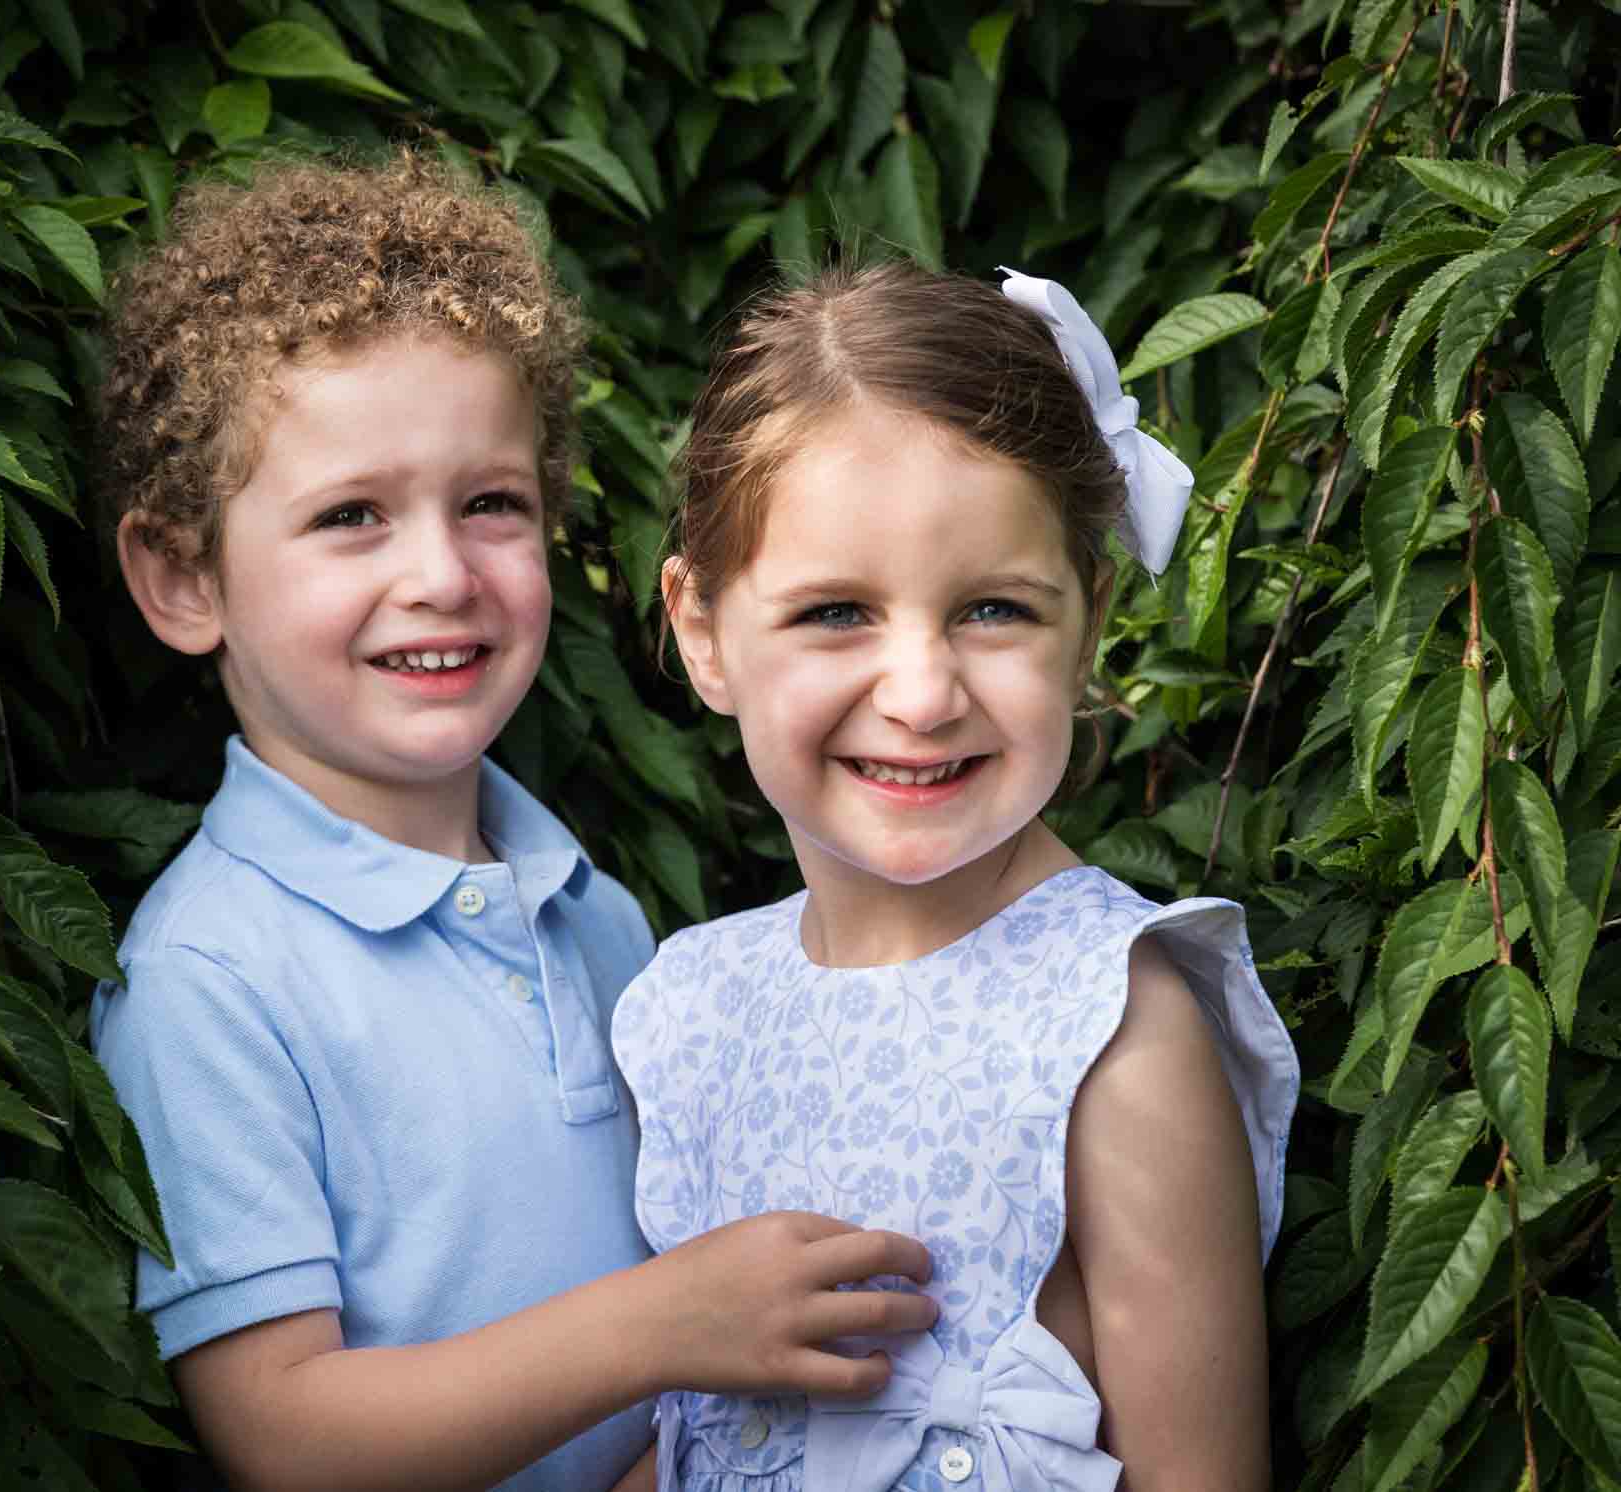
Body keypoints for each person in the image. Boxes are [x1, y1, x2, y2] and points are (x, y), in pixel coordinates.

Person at [88, 152, 942, 1492]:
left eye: (490, 504)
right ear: (185, 576)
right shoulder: (210, 978)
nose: (438, 575)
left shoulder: (592, 911)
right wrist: (666, 1330)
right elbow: (284, 1432)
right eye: (350, 517)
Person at [612, 260, 1301, 1492]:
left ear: (1086, 618)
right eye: (835, 613)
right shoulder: (689, 1006)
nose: (922, 694)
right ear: (703, 631)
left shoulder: (1109, 1031)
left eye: (992, 609)